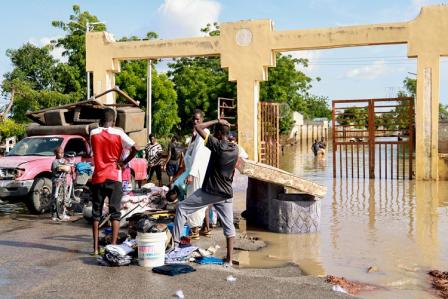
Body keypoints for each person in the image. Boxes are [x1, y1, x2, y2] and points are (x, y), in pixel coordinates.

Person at [173, 118, 239, 265]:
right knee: (229, 227)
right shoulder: (235, 149)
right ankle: (228, 260)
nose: (214, 134)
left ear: (220, 133)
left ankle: (175, 248)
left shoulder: (217, 145)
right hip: (226, 193)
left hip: (211, 191)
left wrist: (216, 120)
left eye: (216, 132)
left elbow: (198, 127)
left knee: (182, 208)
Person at [90, 108, 138, 255]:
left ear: (100, 120)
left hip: (98, 176)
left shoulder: (93, 133)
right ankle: (113, 246)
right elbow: (136, 147)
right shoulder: (119, 133)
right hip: (114, 176)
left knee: (96, 214)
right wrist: (124, 162)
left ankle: (96, 248)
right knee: (115, 212)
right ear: (114, 120)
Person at [184, 109, 211, 239]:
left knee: (194, 200)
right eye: (194, 119)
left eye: (198, 119)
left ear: (202, 120)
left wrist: (191, 174)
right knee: (200, 200)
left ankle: (195, 230)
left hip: (198, 172)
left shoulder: (204, 134)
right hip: (193, 171)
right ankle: (204, 227)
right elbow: (189, 154)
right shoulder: (194, 135)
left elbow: (198, 156)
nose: (195, 121)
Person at [50, 146, 70, 221]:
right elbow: (58, 169)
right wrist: (64, 166)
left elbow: (67, 169)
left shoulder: (63, 160)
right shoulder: (55, 162)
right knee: (55, 197)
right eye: (60, 153)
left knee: (64, 197)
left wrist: (66, 165)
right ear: (55, 153)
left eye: (62, 153)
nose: (61, 154)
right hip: (57, 180)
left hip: (63, 180)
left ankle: (63, 213)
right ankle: (54, 214)